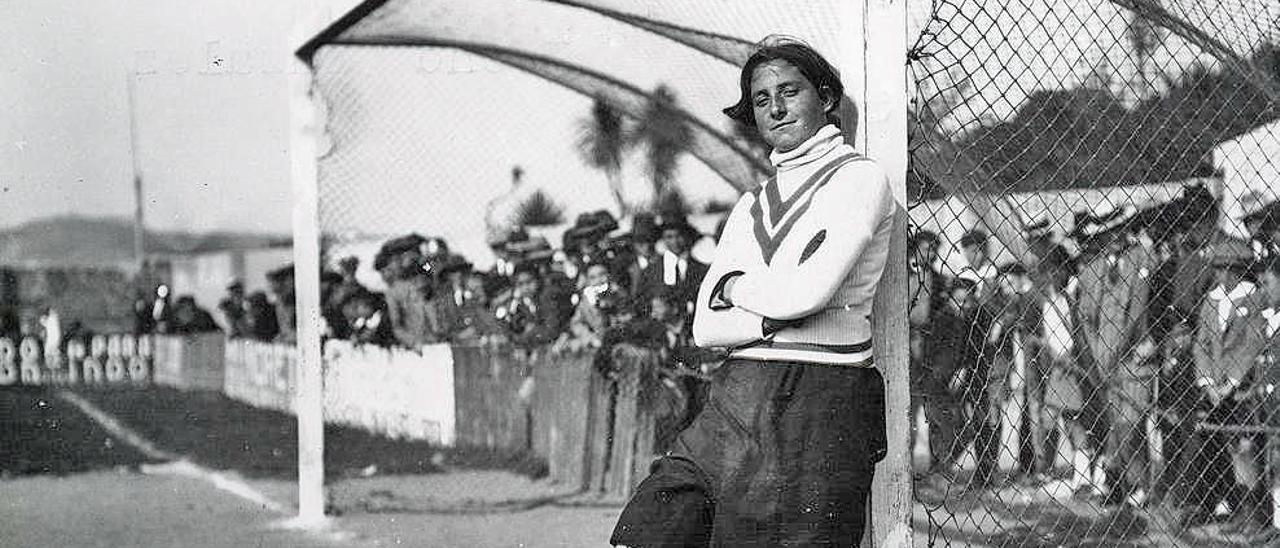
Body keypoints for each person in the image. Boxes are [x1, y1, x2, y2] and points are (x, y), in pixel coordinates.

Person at [611, 36, 893, 547]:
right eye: (762, 100)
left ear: (826, 99)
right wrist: (768, 311)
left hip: (821, 393)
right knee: (649, 529)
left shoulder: (859, 179)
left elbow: (806, 293)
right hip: (739, 391)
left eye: (790, 91)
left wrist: (737, 288)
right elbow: (706, 323)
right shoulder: (751, 205)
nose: (776, 109)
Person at [1072, 204, 1156, 506]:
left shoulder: (1142, 259)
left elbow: (1140, 309)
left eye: (1118, 229)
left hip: (1135, 357)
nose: (1114, 236)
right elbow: (1085, 318)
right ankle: (1120, 481)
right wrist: (1099, 357)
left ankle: (1138, 482)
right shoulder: (1093, 269)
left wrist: (1127, 346)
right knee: (1115, 423)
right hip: (1105, 361)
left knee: (1130, 424)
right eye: (1107, 231)